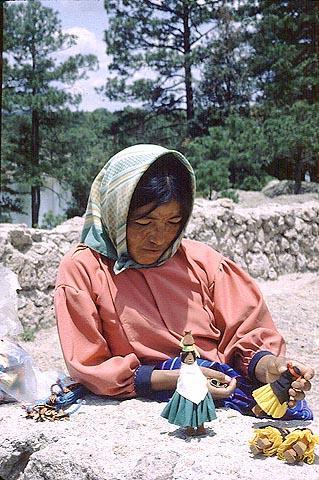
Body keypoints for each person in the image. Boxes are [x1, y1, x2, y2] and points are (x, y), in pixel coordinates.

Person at [54, 144, 314, 419]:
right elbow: (90, 366)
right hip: (154, 390)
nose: (159, 237)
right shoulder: (83, 269)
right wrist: (180, 378)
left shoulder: (203, 263)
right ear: (115, 212)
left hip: (224, 383)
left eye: (173, 222)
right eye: (144, 223)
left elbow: (246, 337)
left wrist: (270, 366)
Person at [161, 331, 216, 436]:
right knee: (188, 409)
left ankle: (201, 426)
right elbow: (183, 380)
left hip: (200, 390)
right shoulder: (184, 369)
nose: (190, 358)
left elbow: (200, 377)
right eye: (187, 356)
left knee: (200, 409)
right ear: (183, 357)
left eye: (192, 356)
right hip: (186, 391)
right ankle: (189, 426)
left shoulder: (196, 368)